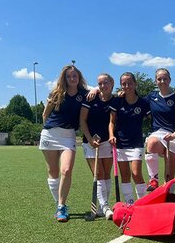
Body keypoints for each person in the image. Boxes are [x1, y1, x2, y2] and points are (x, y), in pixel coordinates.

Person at [39, 65, 88, 222]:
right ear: (64, 78)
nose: (72, 79)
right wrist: (50, 129)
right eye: (69, 76)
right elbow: (45, 114)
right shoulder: (56, 93)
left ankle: (61, 205)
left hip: (69, 136)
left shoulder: (85, 94)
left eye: (75, 76)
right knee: (53, 172)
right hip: (50, 134)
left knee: (66, 170)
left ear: (79, 78)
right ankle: (60, 205)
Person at [109, 72, 150, 204]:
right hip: (120, 143)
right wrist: (111, 135)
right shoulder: (117, 101)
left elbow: (153, 120)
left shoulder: (143, 103)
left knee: (136, 173)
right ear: (121, 85)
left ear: (135, 84)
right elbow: (112, 122)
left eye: (130, 83)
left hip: (136, 142)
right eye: (124, 84)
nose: (127, 86)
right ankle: (130, 203)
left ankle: (143, 202)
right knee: (125, 175)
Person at [79, 73, 115, 220]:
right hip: (90, 142)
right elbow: (82, 120)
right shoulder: (91, 98)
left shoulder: (116, 100)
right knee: (98, 173)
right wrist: (89, 139)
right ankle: (106, 207)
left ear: (111, 83)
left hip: (107, 142)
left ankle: (102, 207)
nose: (102, 86)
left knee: (106, 174)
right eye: (99, 83)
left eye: (105, 82)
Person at [144, 68, 175, 192]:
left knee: (169, 175)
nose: (162, 81)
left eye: (165, 78)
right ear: (155, 81)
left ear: (170, 80)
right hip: (158, 133)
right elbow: (134, 101)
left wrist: (174, 135)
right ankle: (153, 180)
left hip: (174, 134)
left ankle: (168, 201)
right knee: (151, 142)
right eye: (159, 79)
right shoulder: (151, 97)